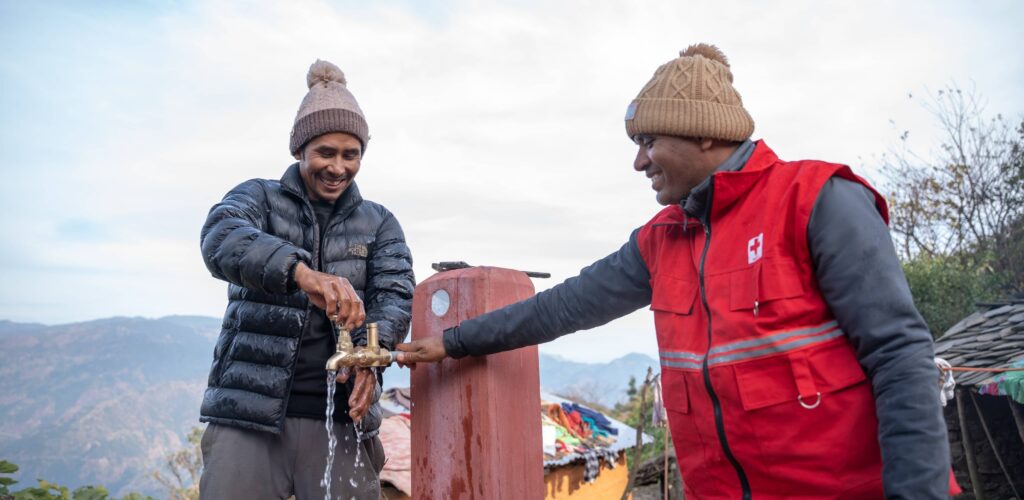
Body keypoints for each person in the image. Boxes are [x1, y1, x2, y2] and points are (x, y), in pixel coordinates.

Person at [396, 44, 953, 498]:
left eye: (648, 142)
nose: (639, 162)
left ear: (705, 133)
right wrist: (455, 342)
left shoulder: (817, 200)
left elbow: (899, 356)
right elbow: (562, 306)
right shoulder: (661, 238)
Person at [198, 59, 415, 499]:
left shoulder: (380, 223)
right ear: (300, 151)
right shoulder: (258, 198)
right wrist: (302, 274)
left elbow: (394, 296)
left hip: (342, 418)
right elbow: (221, 237)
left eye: (350, 154)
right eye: (325, 153)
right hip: (250, 415)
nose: (338, 167)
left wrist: (373, 358)